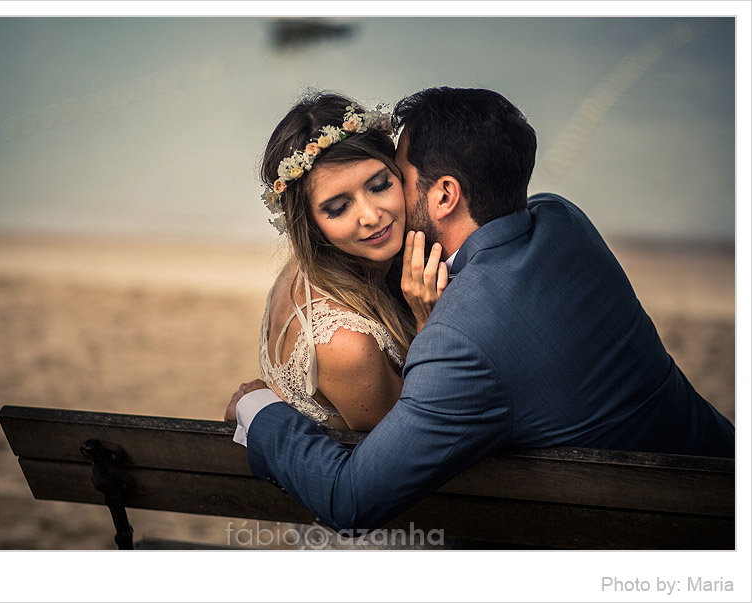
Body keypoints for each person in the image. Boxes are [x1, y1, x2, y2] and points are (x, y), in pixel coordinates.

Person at [228, 87, 735, 534]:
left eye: (390, 180)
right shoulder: (563, 219)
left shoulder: (460, 339)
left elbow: (351, 499)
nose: (379, 210)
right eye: (338, 206)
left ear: (446, 193)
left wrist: (257, 408)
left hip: (654, 532)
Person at [235, 90, 447, 437]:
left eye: (379, 186)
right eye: (337, 208)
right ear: (309, 223)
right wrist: (428, 321)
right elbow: (413, 443)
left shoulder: (308, 265)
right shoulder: (345, 342)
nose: (371, 216)